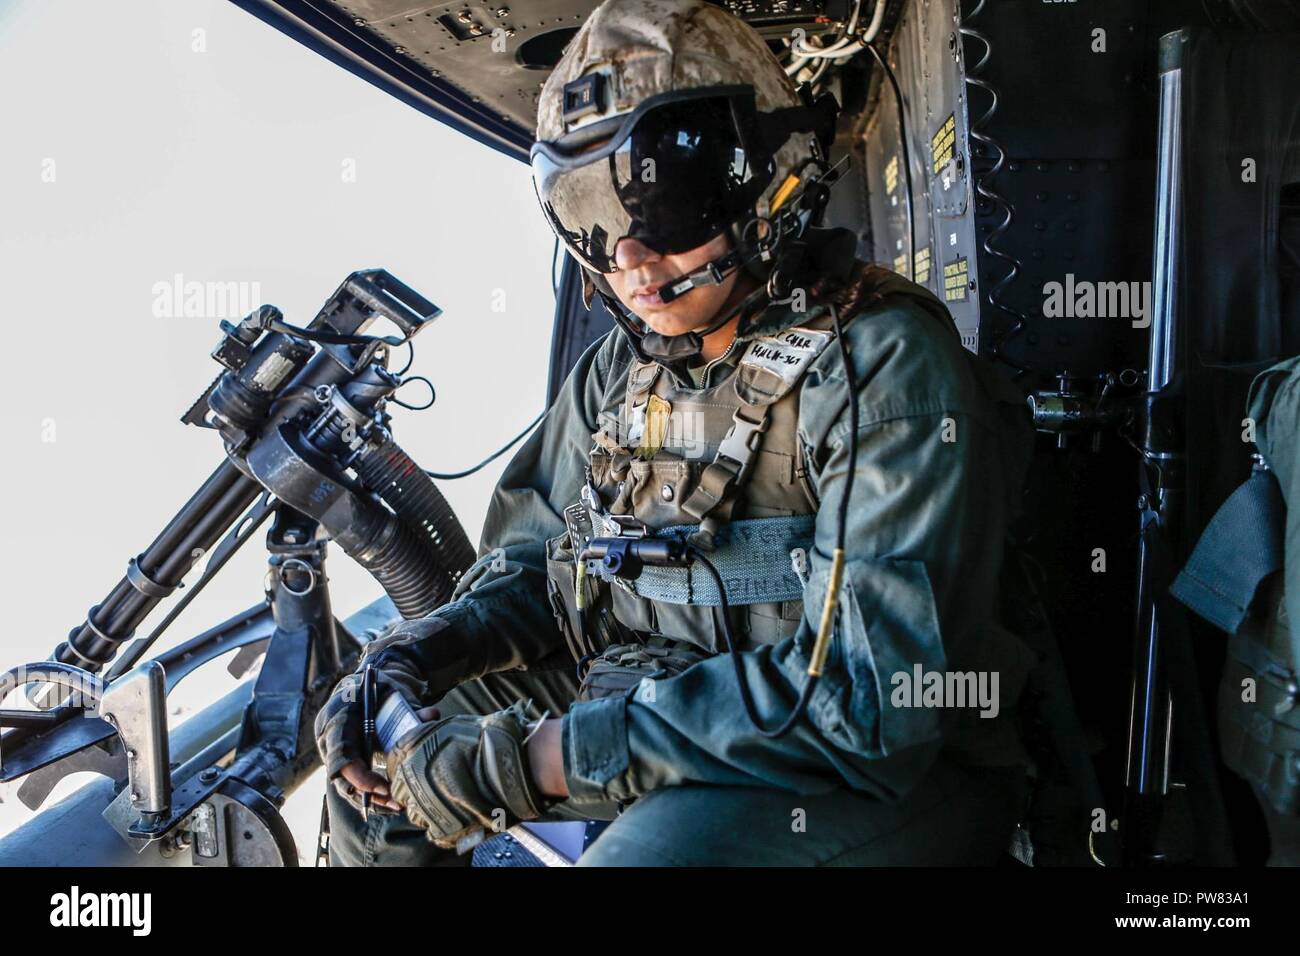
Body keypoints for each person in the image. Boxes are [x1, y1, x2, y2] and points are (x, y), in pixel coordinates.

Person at [315, 0, 1036, 866]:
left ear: (770, 176)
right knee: (379, 773)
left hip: (874, 762)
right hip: (659, 694)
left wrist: (541, 759)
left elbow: (870, 704)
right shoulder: (614, 381)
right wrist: (424, 653)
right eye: (589, 208)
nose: (627, 256)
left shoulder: (883, 366)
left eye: (664, 197)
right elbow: (540, 571)